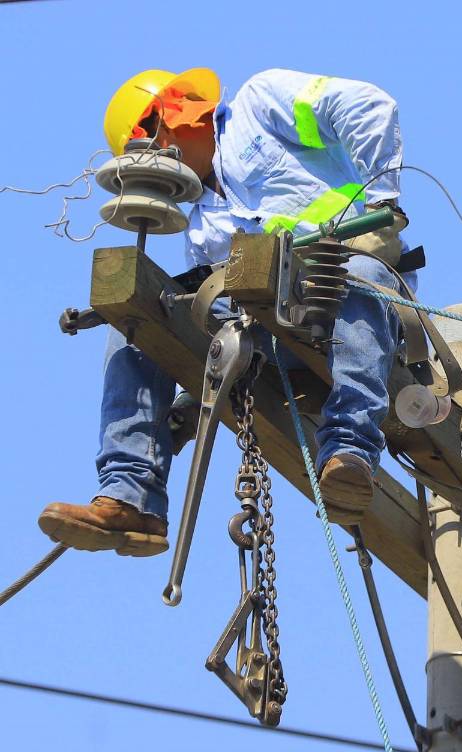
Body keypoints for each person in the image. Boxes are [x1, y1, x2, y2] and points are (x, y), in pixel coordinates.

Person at [39, 67, 413, 556]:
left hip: (335, 295)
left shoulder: (259, 105)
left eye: (149, 149)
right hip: (273, 337)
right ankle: (130, 497)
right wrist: (186, 402)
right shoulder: (202, 230)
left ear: (170, 118)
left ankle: (349, 454)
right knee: (141, 321)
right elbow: (215, 326)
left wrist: (382, 198)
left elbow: (369, 105)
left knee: (362, 275)